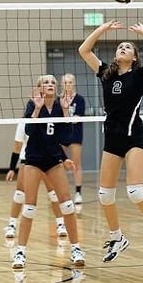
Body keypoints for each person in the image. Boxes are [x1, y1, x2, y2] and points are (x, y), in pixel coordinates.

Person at [79, 20, 143, 262]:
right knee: (104, 196)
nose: (122, 48)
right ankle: (118, 238)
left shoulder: (140, 75)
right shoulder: (106, 73)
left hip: (134, 139)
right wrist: (102, 30)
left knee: (135, 192)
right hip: (112, 140)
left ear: (134, 57)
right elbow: (84, 51)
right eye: (120, 46)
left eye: (128, 47)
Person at [12, 75, 85, 269]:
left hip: (53, 160)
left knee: (68, 205)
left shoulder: (61, 106)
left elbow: (66, 137)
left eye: (53, 82)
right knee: (29, 207)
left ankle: (76, 248)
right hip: (33, 161)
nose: (51, 85)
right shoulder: (32, 105)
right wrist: (36, 109)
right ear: (40, 88)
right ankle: (20, 252)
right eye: (46, 82)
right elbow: (29, 131)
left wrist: (67, 111)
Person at [5, 122, 67, 240]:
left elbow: (56, 142)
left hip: (48, 159)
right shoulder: (23, 124)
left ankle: (60, 224)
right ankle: (11, 225)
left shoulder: (48, 120)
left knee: (53, 194)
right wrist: (12, 169)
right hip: (28, 160)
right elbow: (17, 147)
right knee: (20, 194)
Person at [60, 73, 85, 205]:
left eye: (70, 82)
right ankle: (62, 192)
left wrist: (66, 115)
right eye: (65, 82)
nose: (67, 84)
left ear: (73, 83)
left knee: (76, 163)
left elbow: (75, 120)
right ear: (61, 84)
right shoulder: (58, 99)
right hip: (62, 134)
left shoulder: (79, 99)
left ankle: (78, 193)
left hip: (75, 134)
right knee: (60, 163)